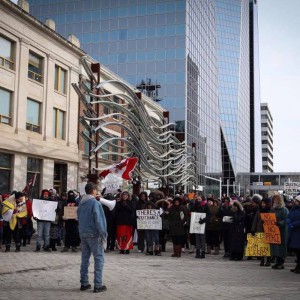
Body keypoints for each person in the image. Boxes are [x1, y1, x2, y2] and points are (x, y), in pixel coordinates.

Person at [77, 182, 107, 293]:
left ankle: (84, 283)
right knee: (99, 259)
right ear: (93, 190)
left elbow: (79, 218)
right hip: (94, 234)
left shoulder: (81, 203)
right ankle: (98, 284)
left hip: (83, 233)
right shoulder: (95, 203)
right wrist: (104, 234)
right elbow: (99, 220)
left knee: (85, 259)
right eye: (96, 190)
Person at [270, 194, 289, 270]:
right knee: (275, 247)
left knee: (281, 246)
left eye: (276, 200)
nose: (274, 202)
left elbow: (286, 219)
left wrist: (280, 223)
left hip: (282, 231)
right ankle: (277, 262)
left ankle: (281, 263)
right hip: (274, 231)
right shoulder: (273, 210)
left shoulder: (284, 210)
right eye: (274, 200)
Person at [286, 195, 300, 273]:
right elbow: (289, 216)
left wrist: (293, 224)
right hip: (293, 232)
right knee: (297, 251)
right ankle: (297, 266)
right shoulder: (293, 209)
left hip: (298, 231)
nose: (295, 202)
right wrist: (288, 221)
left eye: (297, 201)